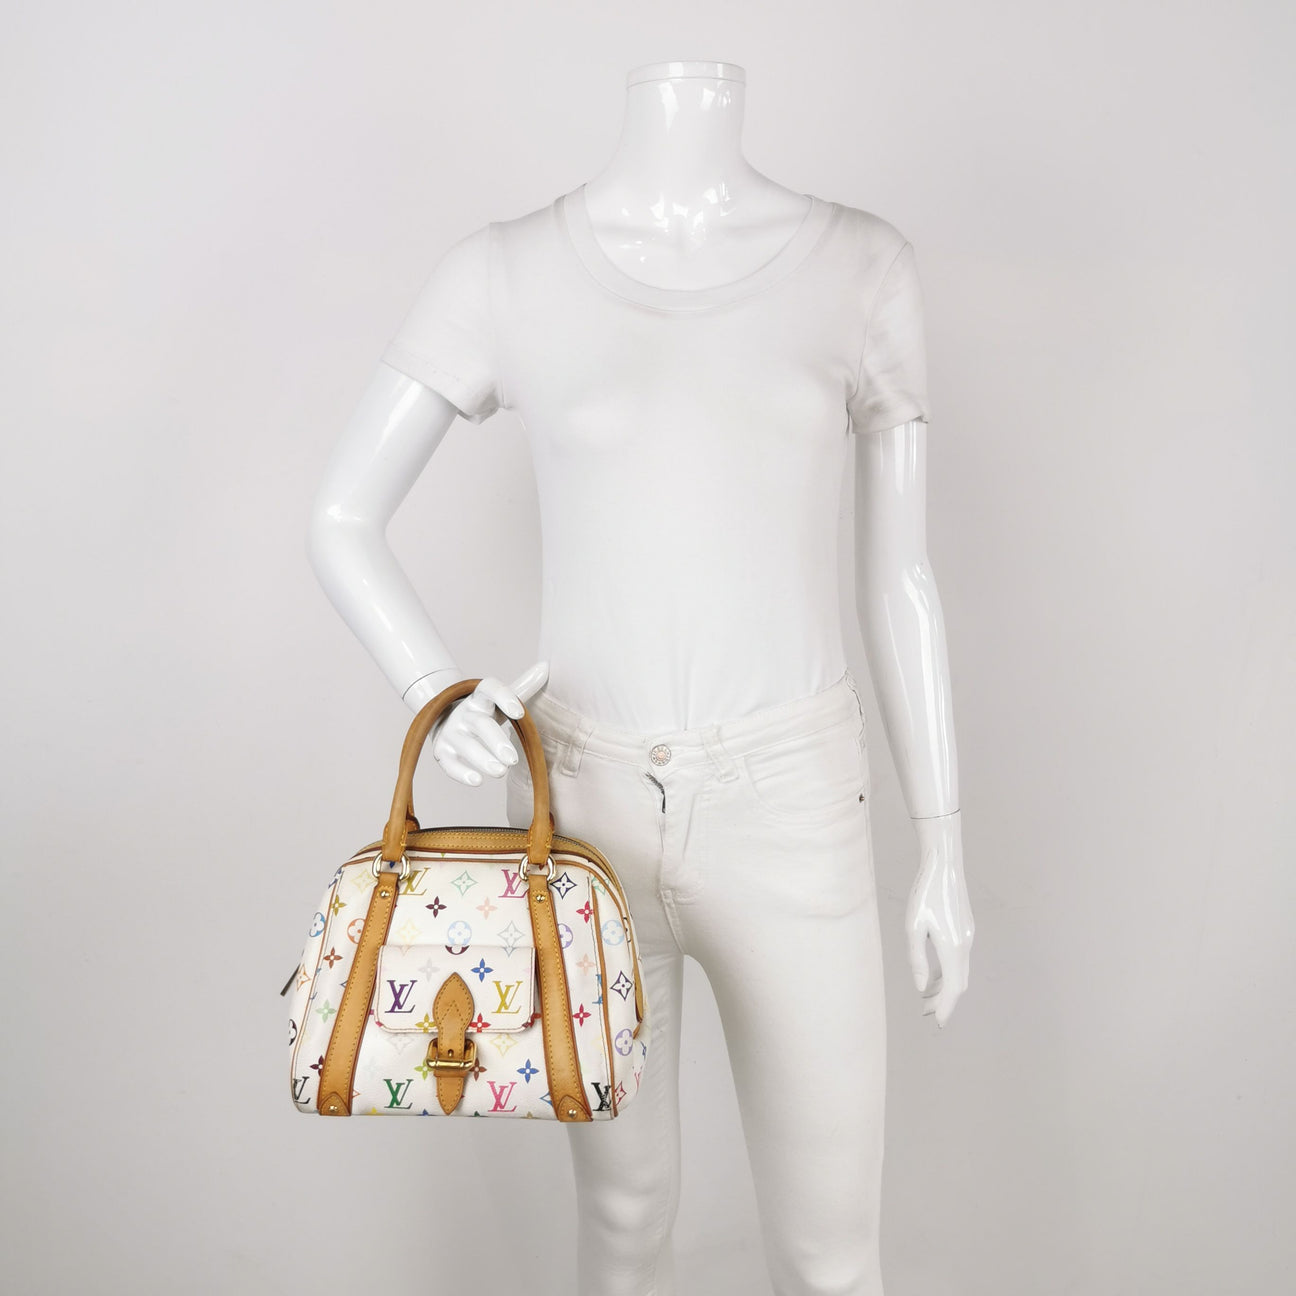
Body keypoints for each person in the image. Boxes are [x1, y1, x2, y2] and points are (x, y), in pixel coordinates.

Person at [308, 58, 974, 1296]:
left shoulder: (860, 268)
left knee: (831, 1256)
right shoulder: (503, 272)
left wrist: (942, 842)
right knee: (622, 1221)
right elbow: (342, 516)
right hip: (577, 815)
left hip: (791, 807)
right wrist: (435, 694)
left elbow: (902, 577)